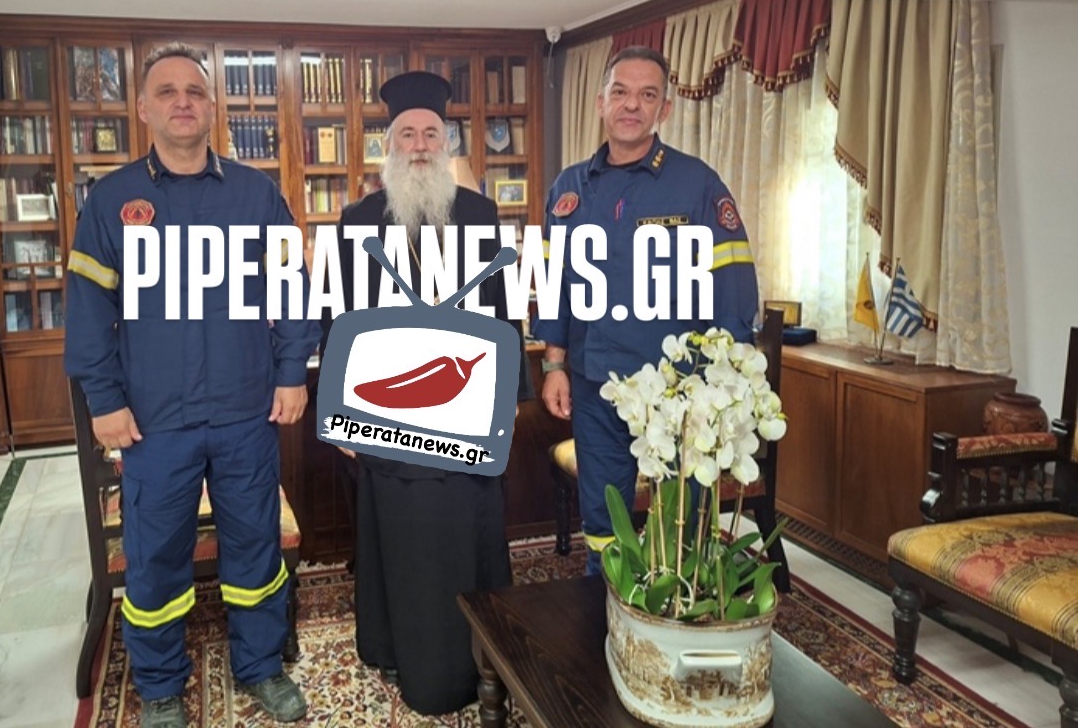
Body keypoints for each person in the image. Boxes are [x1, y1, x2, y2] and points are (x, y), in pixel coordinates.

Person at [64, 42, 318, 727]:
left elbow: (293, 287)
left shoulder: (257, 194)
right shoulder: (111, 202)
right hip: (154, 420)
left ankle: (260, 666)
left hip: (245, 411)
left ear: (212, 108)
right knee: (155, 558)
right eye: (167, 91)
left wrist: (292, 372)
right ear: (143, 109)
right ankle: (160, 686)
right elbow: (87, 312)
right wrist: (104, 399)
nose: (183, 102)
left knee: (255, 545)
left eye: (195, 91)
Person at [318, 70, 534, 716]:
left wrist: (509, 398)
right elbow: (336, 318)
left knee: (468, 532)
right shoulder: (356, 221)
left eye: (430, 134)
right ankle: (403, 651)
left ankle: (480, 655)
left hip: (466, 408)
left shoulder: (481, 215)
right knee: (402, 539)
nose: (419, 145)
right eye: (407, 134)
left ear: (447, 143)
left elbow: (505, 311)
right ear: (389, 144)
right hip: (388, 412)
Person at [532, 46, 760, 575]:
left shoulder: (698, 185)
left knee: (682, 523)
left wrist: (722, 387)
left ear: (665, 109)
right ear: (601, 102)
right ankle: (606, 607)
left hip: (679, 391)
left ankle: (678, 608)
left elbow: (732, 290)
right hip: (595, 385)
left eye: (647, 94)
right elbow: (555, 285)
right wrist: (554, 364)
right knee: (602, 520)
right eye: (620, 92)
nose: (631, 105)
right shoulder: (568, 189)